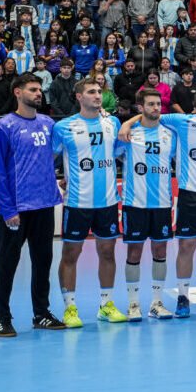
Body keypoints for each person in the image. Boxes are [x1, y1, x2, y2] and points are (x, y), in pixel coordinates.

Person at [119, 89, 196, 318]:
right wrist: (126, 124)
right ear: (195, 110)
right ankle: (182, 298)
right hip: (190, 195)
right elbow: (150, 115)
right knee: (186, 247)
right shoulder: (181, 121)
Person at [0, 74, 67, 337]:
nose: (39, 94)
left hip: (45, 204)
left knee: (43, 262)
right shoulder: (3, 127)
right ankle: (2, 318)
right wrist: (8, 209)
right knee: (7, 264)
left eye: (39, 90)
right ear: (17, 93)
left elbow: (60, 152)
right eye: (33, 89)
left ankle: (41, 314)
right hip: (17, 209)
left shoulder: (48, 123)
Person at [54, 77, 125, 327]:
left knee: (107, 253)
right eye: (91, 92)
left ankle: (106, 305)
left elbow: (118, 152)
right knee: (70, 254)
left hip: (107, 201)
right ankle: (69, 308)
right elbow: (47, 157)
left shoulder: (112, 123)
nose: (97, 95)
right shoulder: (63, 126)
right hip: (77, 202)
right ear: (79, 97)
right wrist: (59, 178)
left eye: (99, 92)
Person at [116, 88, 178, 320]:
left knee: (160, 250)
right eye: (150, 104)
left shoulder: (170, 133)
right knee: (134, 251)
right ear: (140, 108)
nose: (156, 108)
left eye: (158, 104)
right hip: (135, 202)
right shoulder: (128, 134)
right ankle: (133, 304)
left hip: (162, 203)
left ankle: (156, 302)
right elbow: (106, 156)